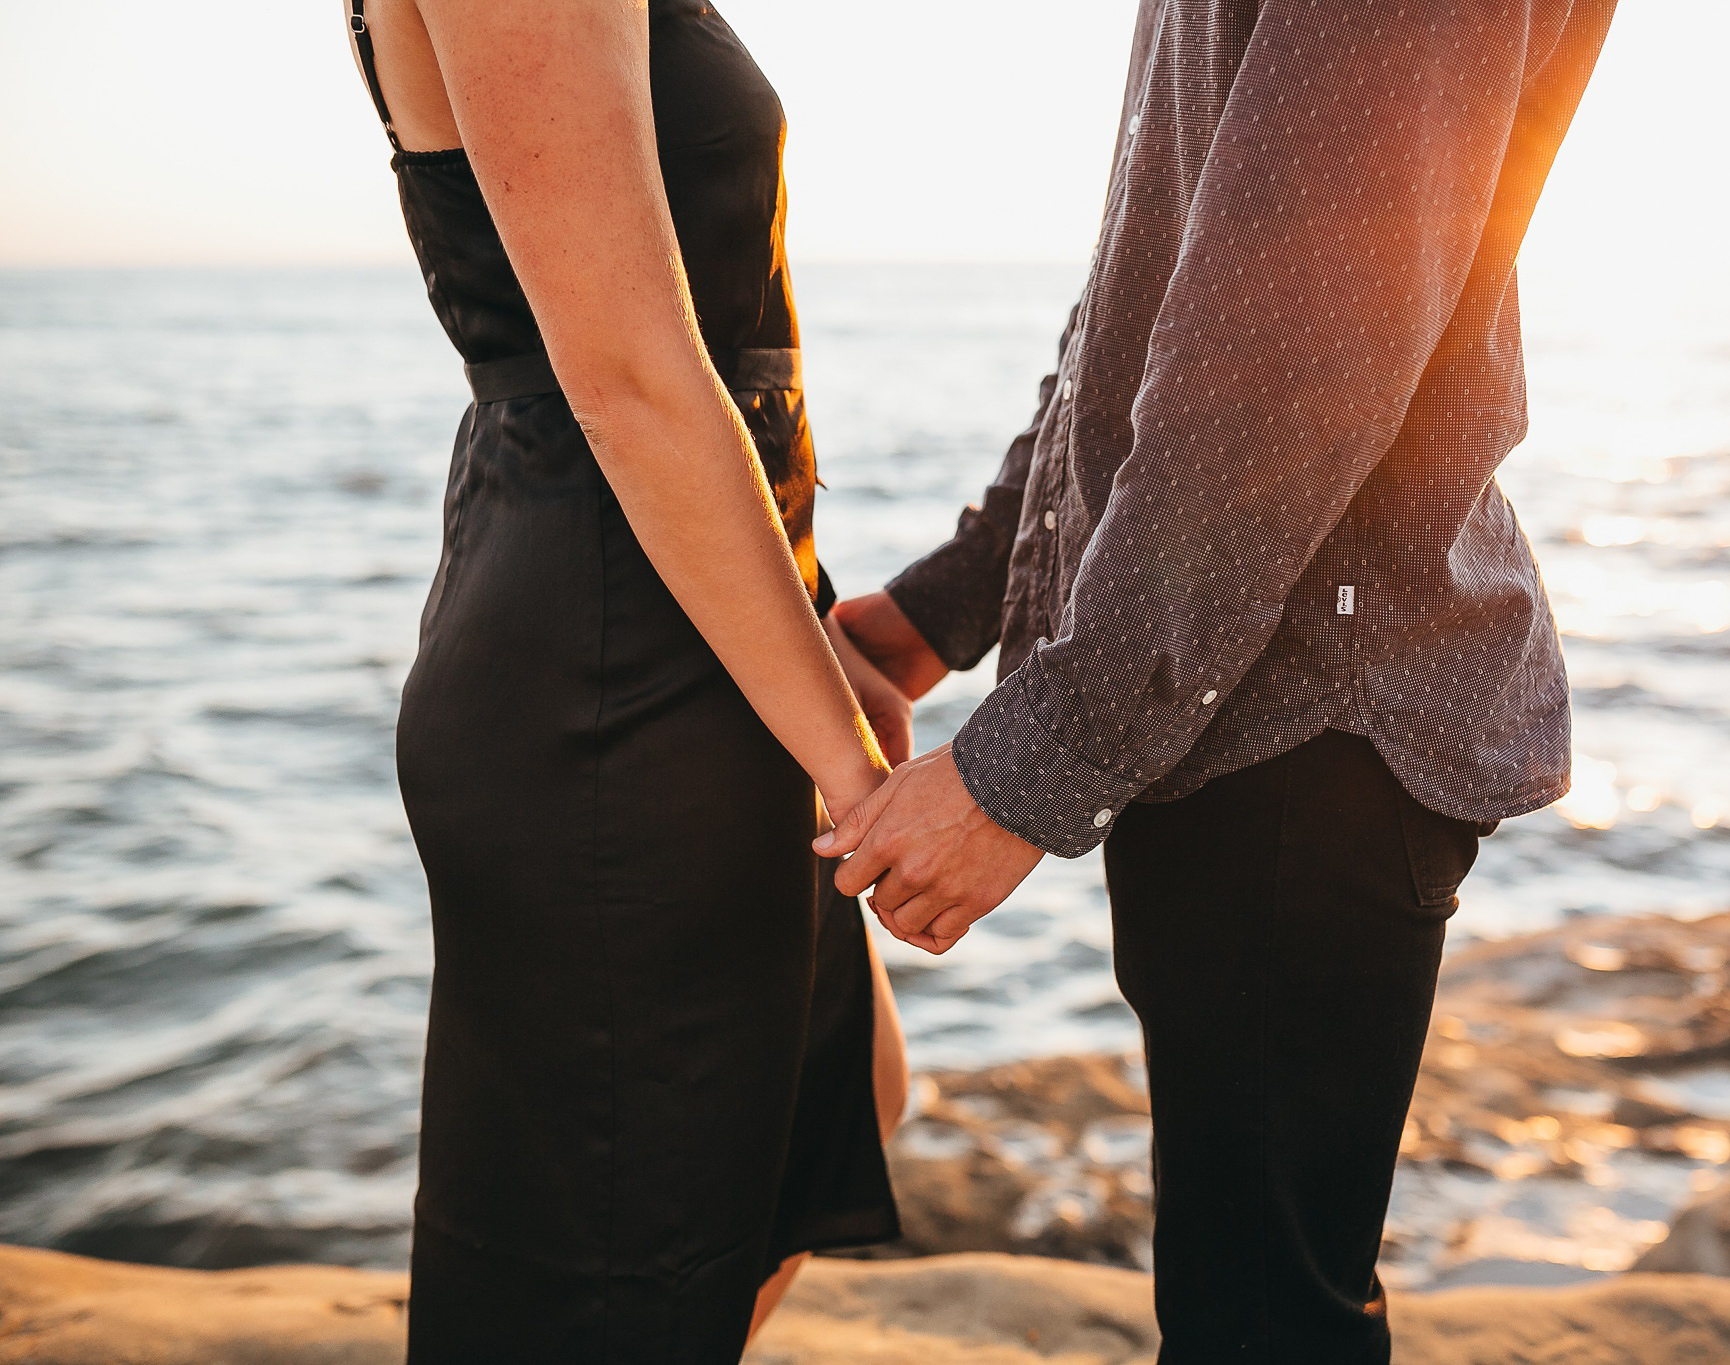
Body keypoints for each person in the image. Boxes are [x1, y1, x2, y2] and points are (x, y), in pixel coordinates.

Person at [822, 0, 1619, 1359]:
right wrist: (943, 608)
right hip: (1251, 716)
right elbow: (1158, 320)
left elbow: (1286, 355)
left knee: (1263, 1328)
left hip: (1310, 727)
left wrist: (1026, 769)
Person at [343, 0, 912, 1358]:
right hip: (612, 674)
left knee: (825, 1119)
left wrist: (813, 627)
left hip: (700, 626)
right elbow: (631, 375)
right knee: (602, 1280)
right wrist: (854, 776)